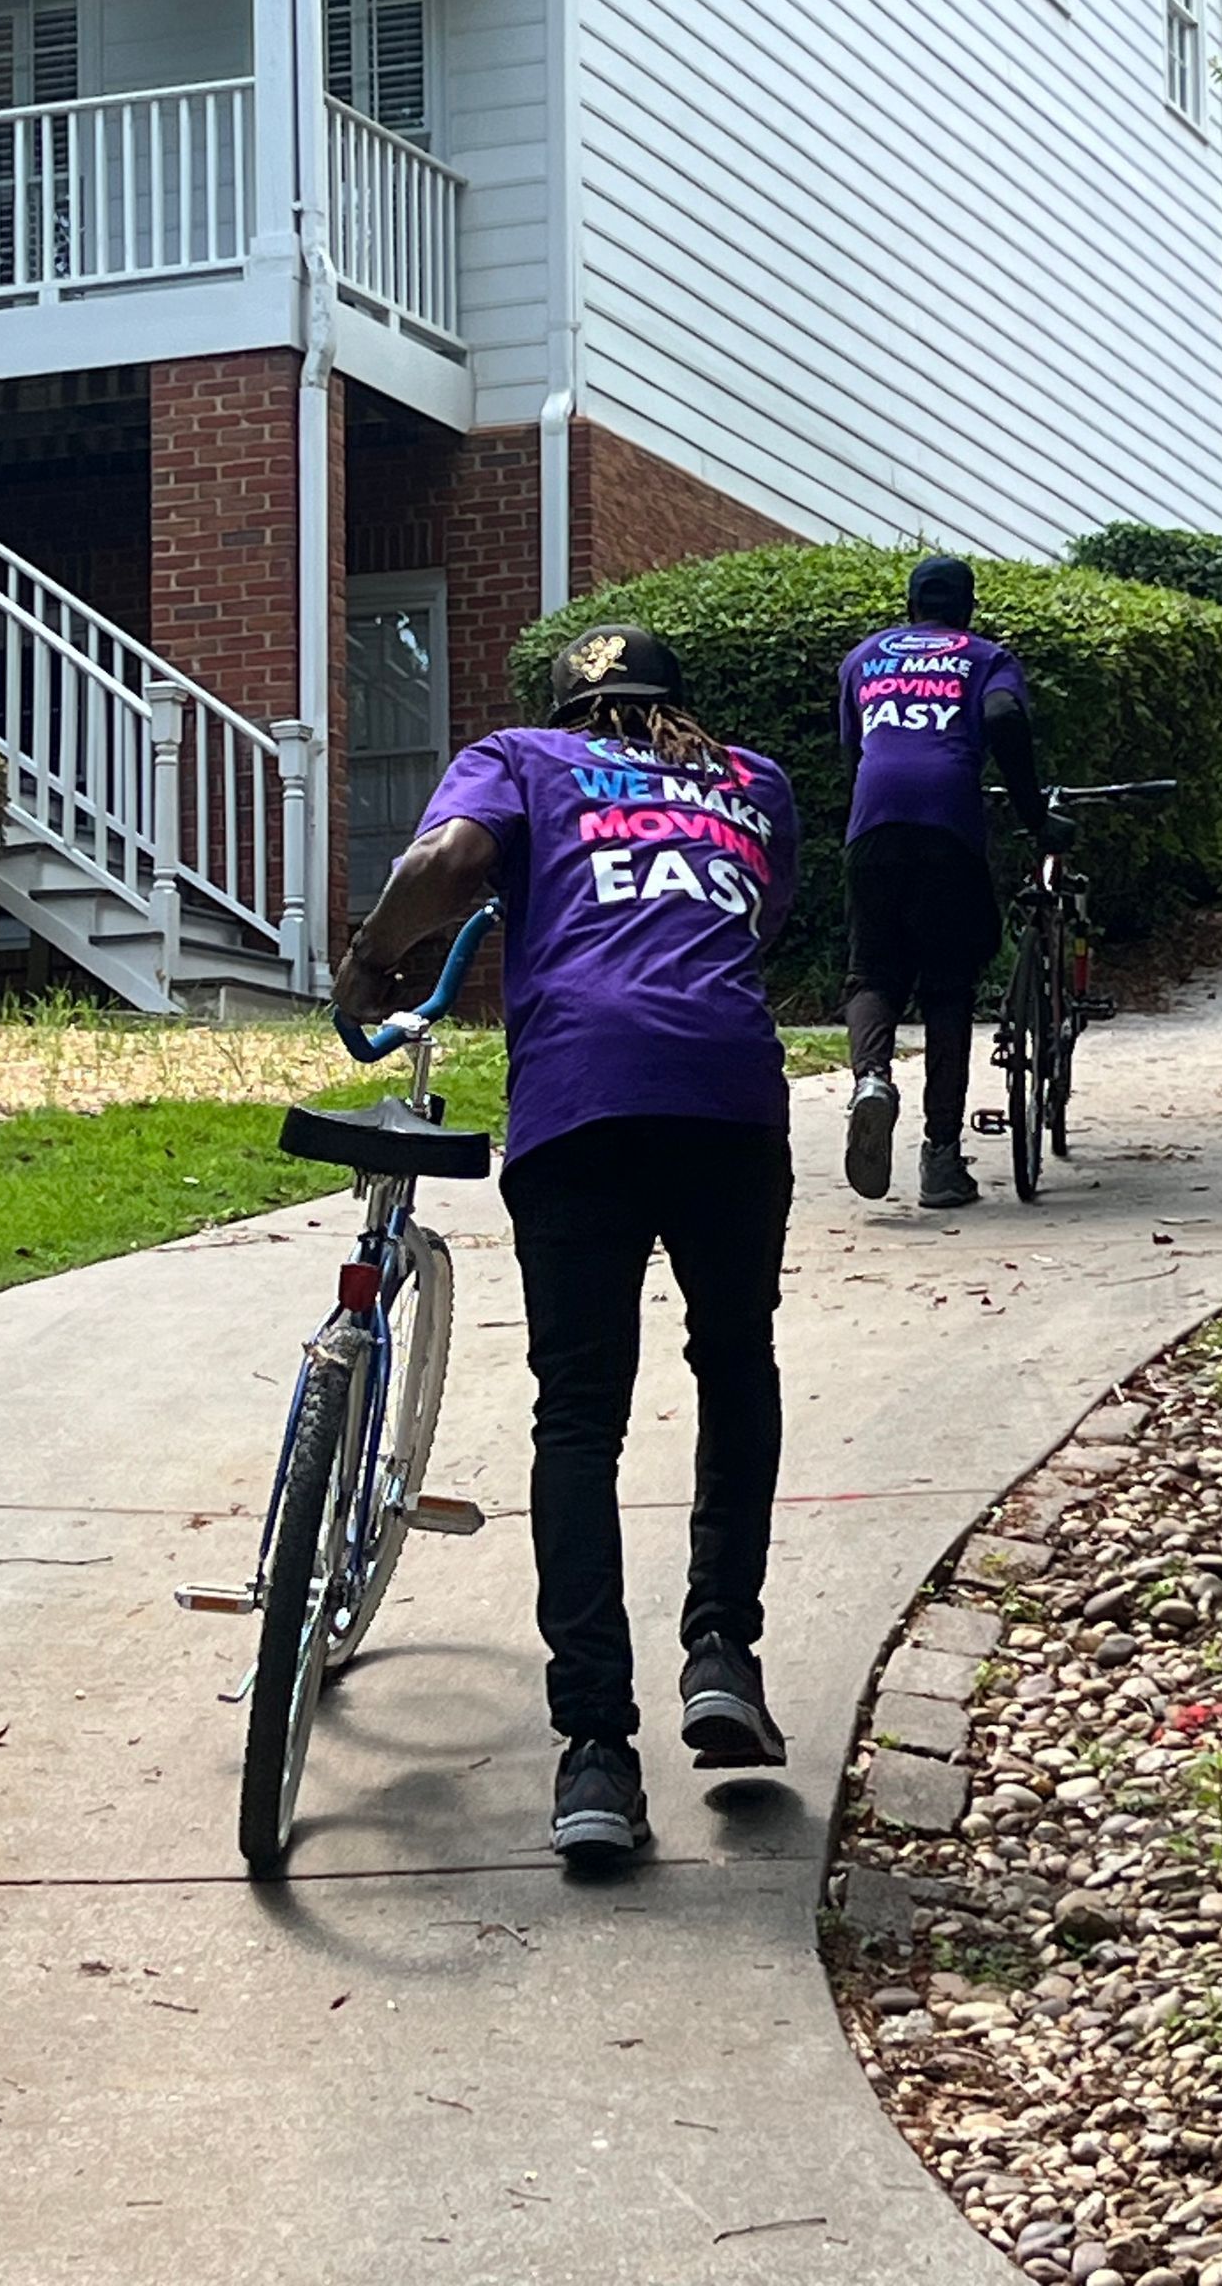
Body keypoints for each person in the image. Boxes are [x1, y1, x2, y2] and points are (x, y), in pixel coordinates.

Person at [333, 626, 798, 1866]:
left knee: (579, 1418)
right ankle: (723, 1655)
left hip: (583, 1101)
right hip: (729, 1097)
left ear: (573, 710)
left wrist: (376, 960)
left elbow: (455, 856)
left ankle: (596, 1754)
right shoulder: (755, 783)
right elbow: (756, 926)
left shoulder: (523, 758)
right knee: (735, 1362)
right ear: (673, 708)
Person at [837, 553, 1070, 1208]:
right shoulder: (985, 657)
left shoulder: (865, 658)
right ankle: (941, 1159)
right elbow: (1002, 718)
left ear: (910, 605)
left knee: (872, 974)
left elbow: (855, 752)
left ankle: (873, 1081)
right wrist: (1034, 816)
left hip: (873, 824)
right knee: (946, 990)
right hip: (948, 827)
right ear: (966, 608)